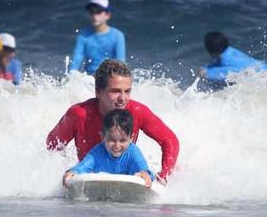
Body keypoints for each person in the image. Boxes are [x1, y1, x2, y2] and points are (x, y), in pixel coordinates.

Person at [47, 59, 179, 183]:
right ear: (98, 91)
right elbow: (52, 143)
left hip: (124, 181)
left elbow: (169, 140)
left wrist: (164, 175)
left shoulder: (137, 112)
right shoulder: (79, 114)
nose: (123, 98)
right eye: (115, 91)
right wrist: (67, 170)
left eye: (127, 91)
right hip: (90, 180)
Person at [62, 109, 153, 188]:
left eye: (122, 141)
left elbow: (144, 170)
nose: (117, 145)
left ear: (131, 139)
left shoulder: (133, 152)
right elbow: (83, 166)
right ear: (102, 137)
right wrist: (73, 172)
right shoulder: (98, 152)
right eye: (112, 140)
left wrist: (145, 174)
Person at [69, 0, 126, 75]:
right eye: (92, 12)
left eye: (98, 11)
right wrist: (71, 77)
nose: (94, 16)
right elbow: (76, 60)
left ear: (107, 15)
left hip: (109, 77)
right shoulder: (83, 36)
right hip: (89, 78)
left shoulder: (118, 36)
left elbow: (120, 64)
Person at [200, 31, 267, 82]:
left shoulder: (223, 59)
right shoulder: (231, 50)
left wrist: (207, 73)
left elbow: (234, 72)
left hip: (263, 77)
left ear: (209, 49)